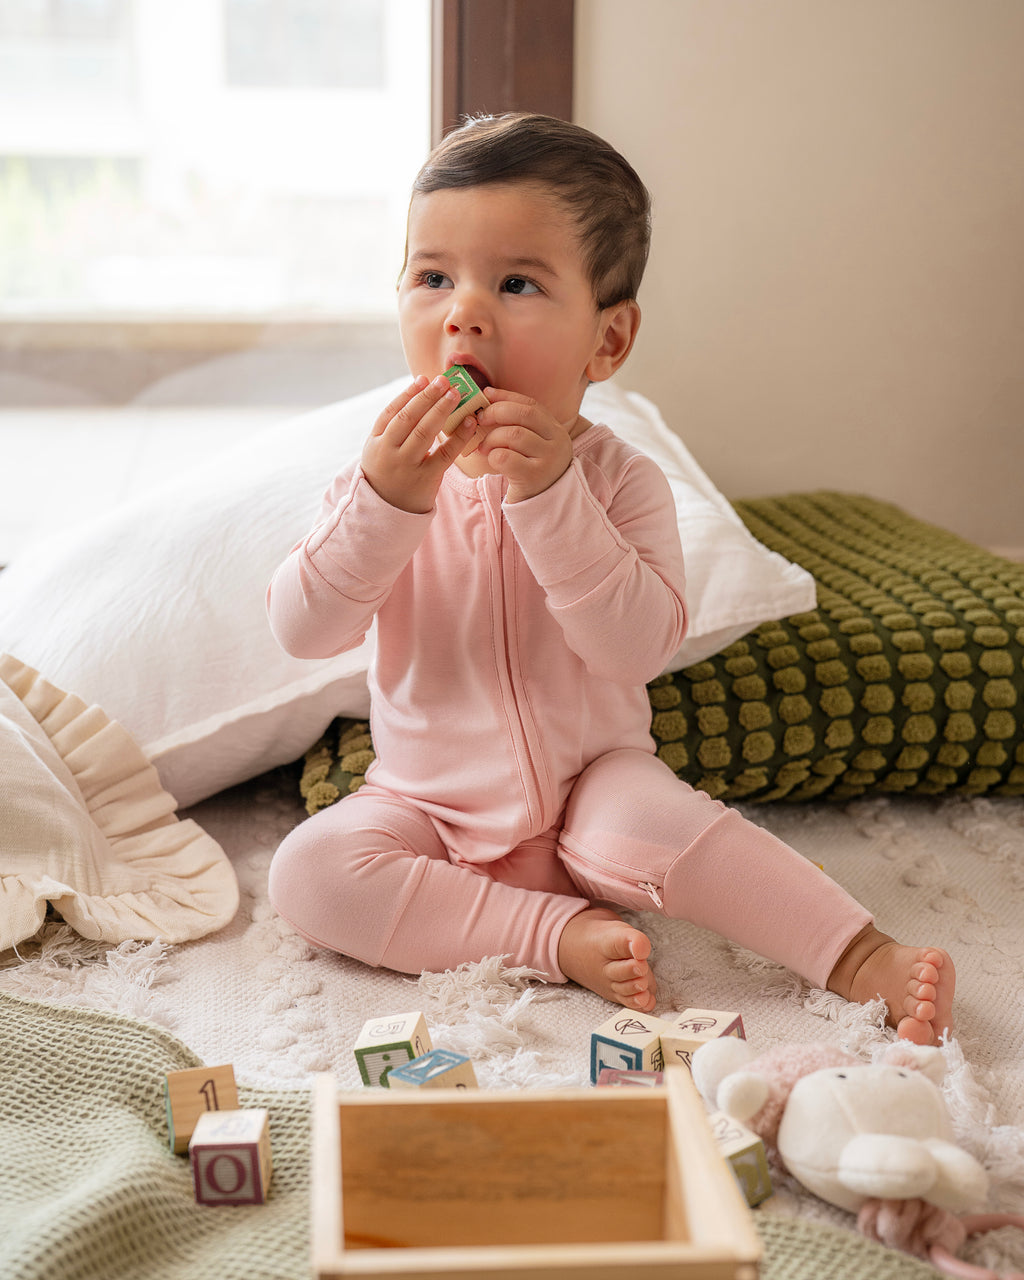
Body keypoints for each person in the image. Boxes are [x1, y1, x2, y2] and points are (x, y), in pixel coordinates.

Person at [267, 113, 954, 1045]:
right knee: (309, 872)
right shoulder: (379, 484)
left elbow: (636, 644)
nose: (464, 311)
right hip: (425, 804)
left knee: (667, 825)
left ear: (608, 340)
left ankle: (854, 951)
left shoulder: (619, 480)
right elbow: (304, 628)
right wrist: (387, 507)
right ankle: (555, 935)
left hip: (597, 788)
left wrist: (549, 494)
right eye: (433, 278)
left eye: (517, 283)